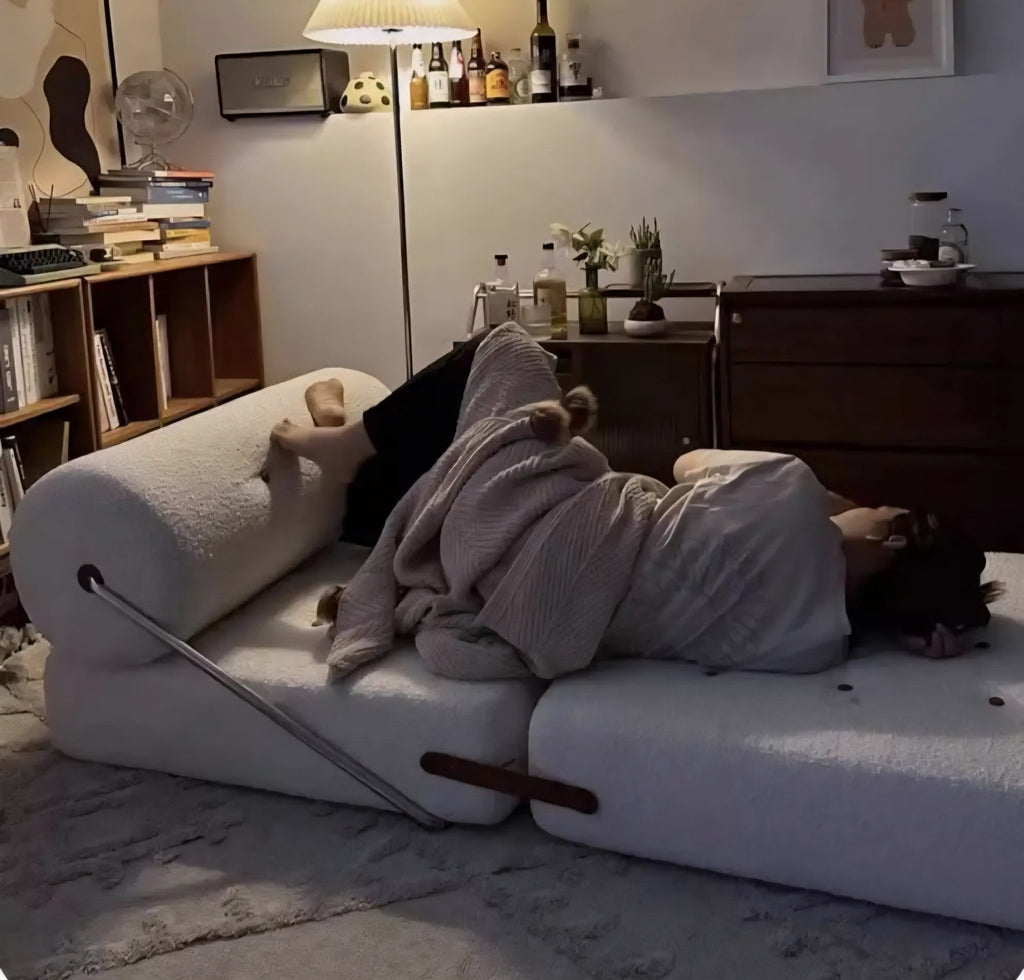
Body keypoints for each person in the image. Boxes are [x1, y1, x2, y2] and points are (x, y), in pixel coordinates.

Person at [272, 332, 1002, 669]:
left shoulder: (789, 489)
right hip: (522, 602)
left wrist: (829, 499)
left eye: (886, 508)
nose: (872, 504)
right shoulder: (813, 646)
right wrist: (906, 629)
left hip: (535, 533)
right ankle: (348, 439)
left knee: (506, 351)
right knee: (481, 460)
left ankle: (347, 443)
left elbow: (687, 462)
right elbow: (842, 609)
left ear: (897, 536)